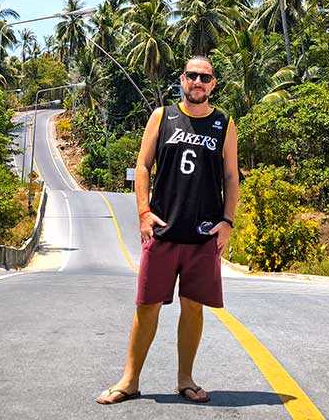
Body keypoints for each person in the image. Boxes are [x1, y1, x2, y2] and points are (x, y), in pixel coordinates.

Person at [96, 56, 240, 405]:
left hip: (203, 234)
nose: (198, 82)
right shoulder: (162, 116)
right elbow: (143, 165)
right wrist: (144, 212)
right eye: (192, 75)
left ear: (213, 84)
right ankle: (129, 381)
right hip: (162, 229)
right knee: (147, 306)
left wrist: (227, 222)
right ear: (182, 79)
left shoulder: (224, 123)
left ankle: (185, 380)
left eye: (205, 77)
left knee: (193, 307)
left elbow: (232, 176)